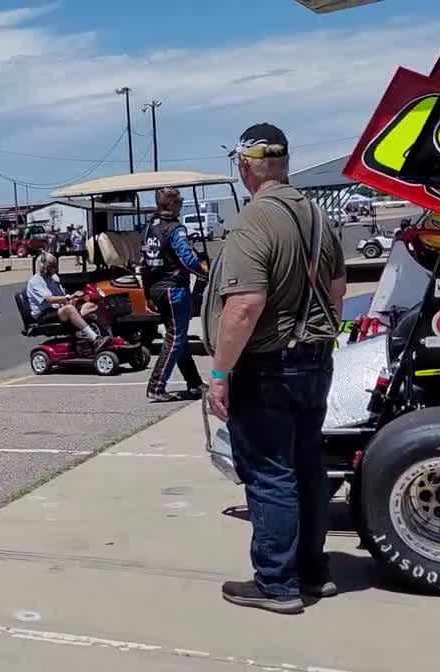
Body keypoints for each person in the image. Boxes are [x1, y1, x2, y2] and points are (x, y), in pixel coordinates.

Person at [205, 123, 345, 615]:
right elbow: (337, 290)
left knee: (269, 474)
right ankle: (313, 570)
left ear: (246, 166)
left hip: (269, 364)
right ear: (284, 163)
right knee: (308, 465)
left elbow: (244, 305)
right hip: (315, 357)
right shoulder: (317, 217)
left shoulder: (254, 221)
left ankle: (277, 581)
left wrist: (220, 375)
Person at [140, 187, 208, 402]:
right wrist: (207, 272)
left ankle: (195, 383)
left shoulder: (150, 228)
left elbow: (145, 264)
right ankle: (156, 386)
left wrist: (147, 294)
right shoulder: (175, 229)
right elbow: (187, 259)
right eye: (178, 201)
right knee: (176, 338)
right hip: (173, 290)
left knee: (179, 338)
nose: (180, 204)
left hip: (157, 288)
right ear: (169, 204)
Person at [26, 252, 111, 348]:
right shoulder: (35, 282)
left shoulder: (54, 279)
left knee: (91, 306)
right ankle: (95, 338)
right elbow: (48, 299)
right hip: (44, 314)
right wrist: (68, 297)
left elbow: (62, 297)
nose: (55, 269)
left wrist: (77, 297)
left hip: (58, 310)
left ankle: (107, 335)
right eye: (52, 266)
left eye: (55, 265)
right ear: (44, 268)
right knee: (69, 309)